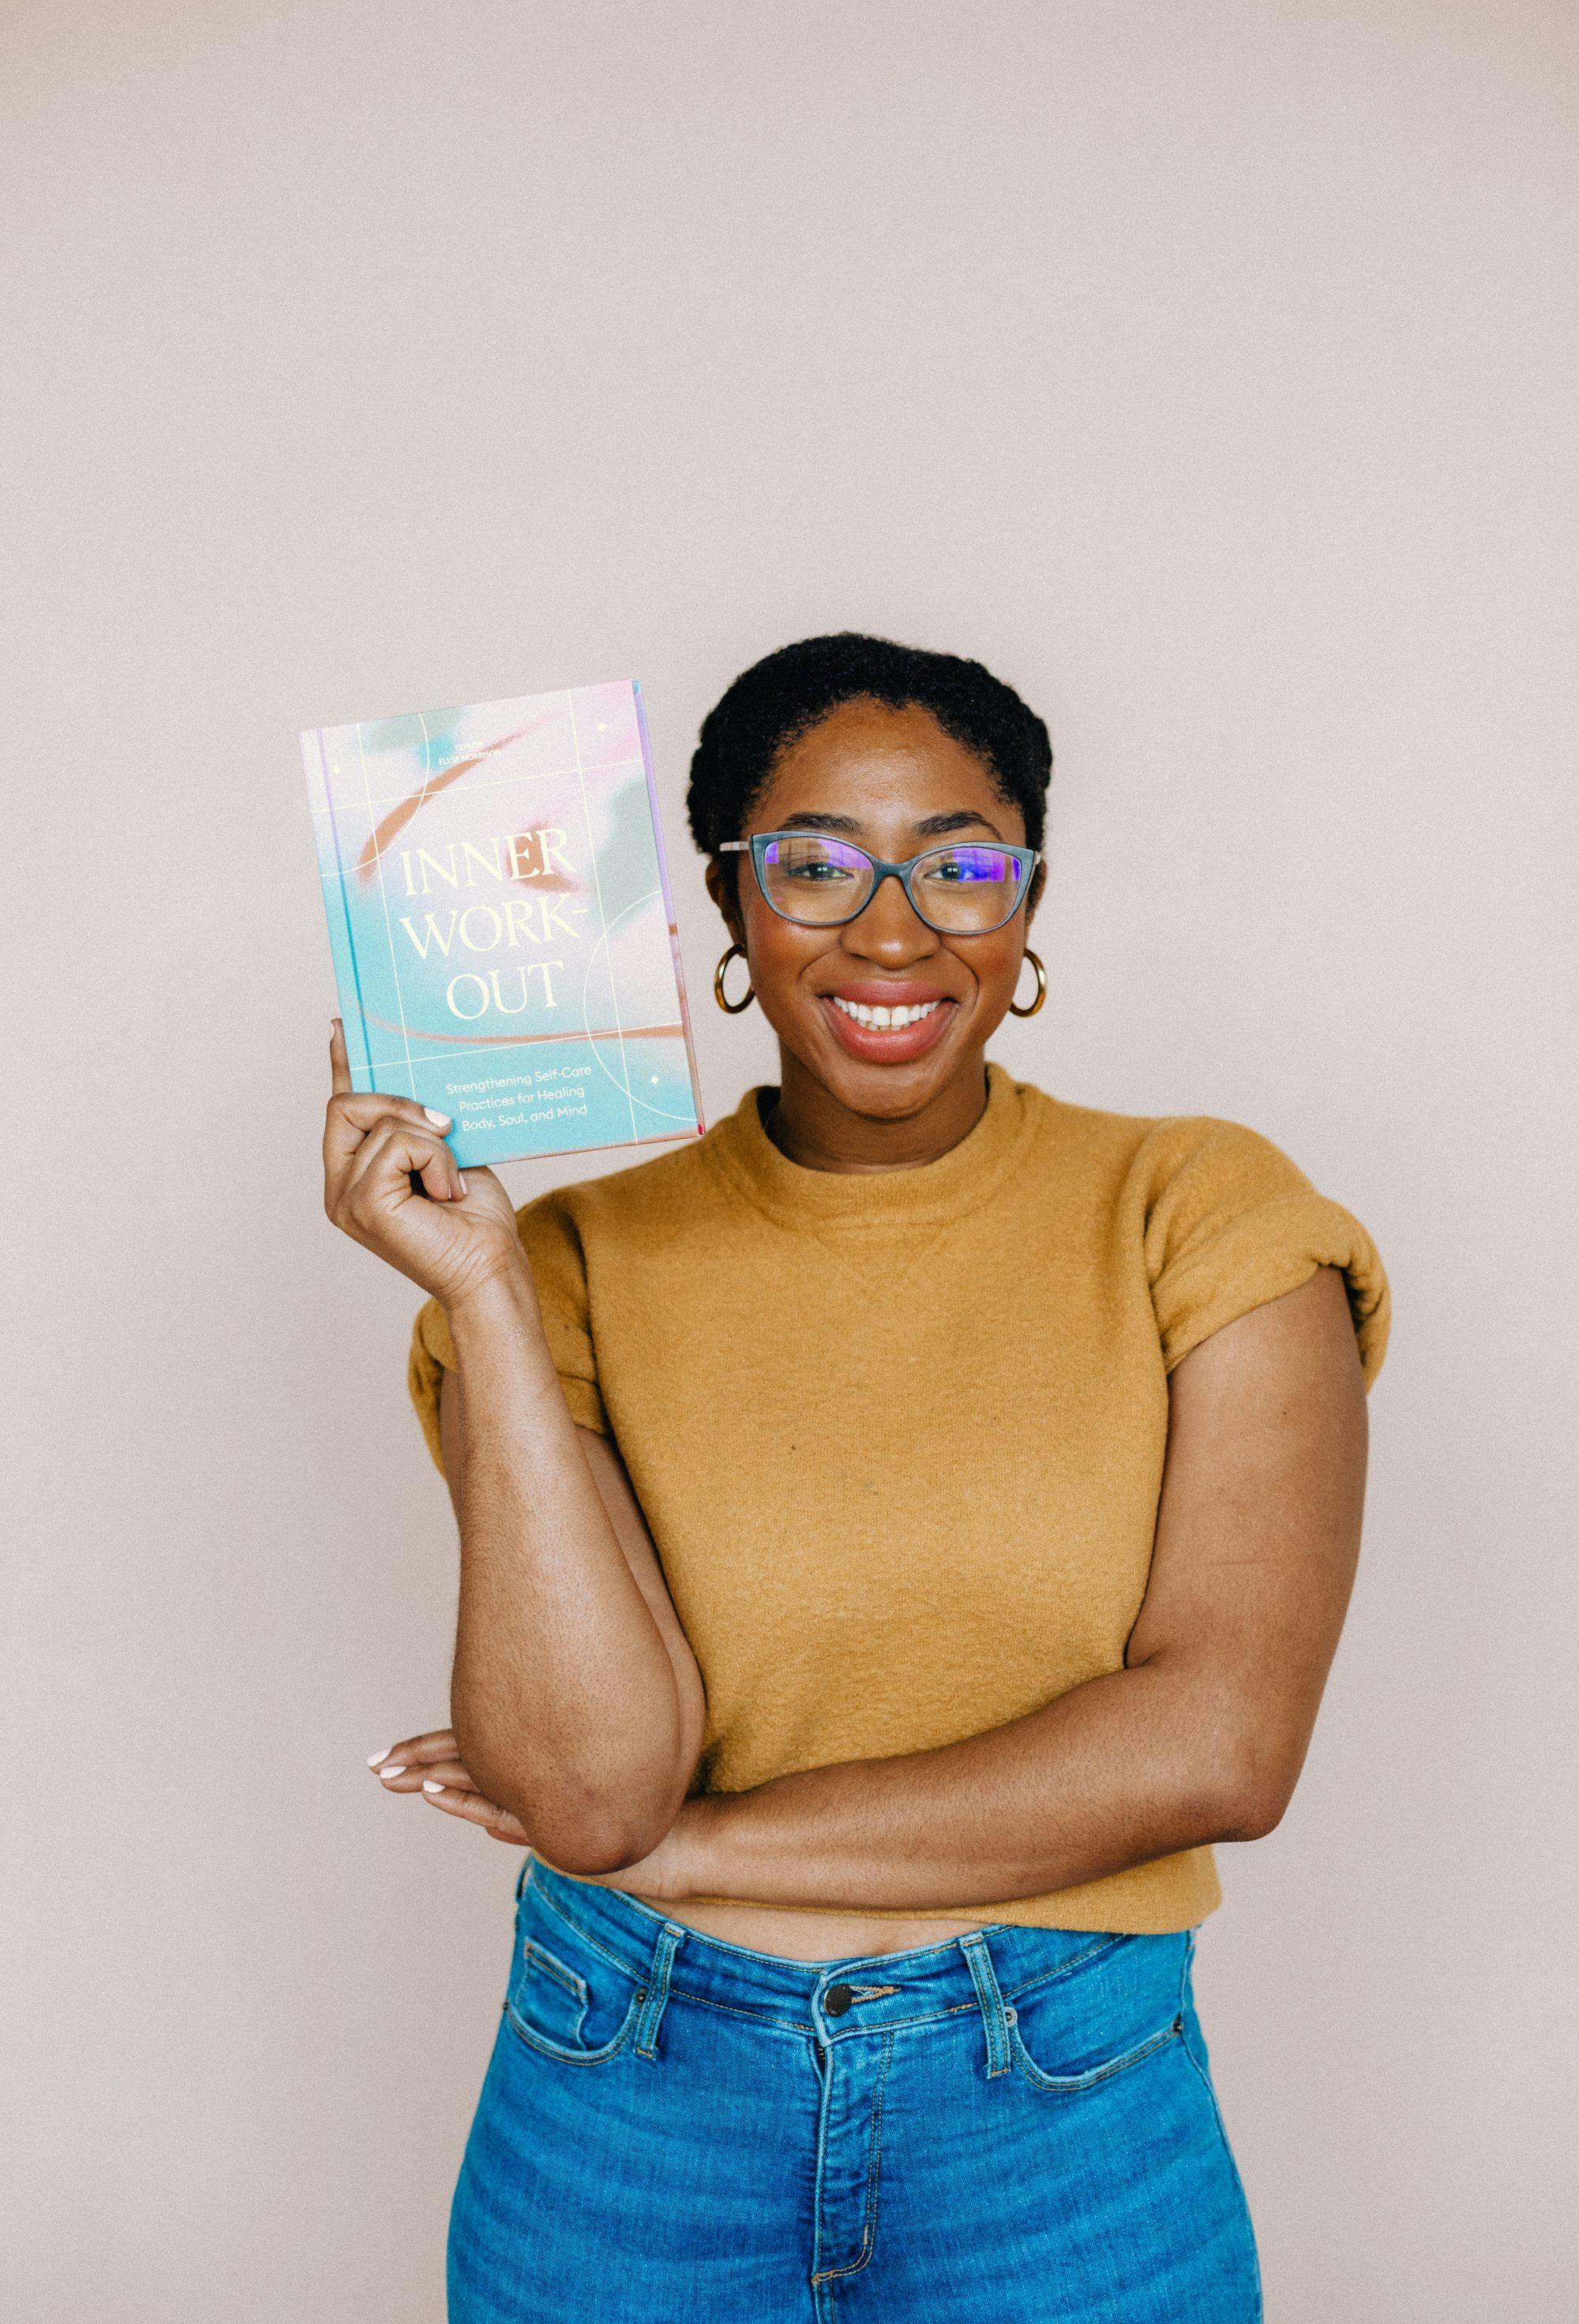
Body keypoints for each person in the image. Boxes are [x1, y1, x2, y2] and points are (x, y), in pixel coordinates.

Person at [323, 633, 1388, 2322]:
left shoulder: (1200, 1210)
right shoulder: (566, 1262)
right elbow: (593, 1797)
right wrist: (483, 1303)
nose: (890, 930)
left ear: (1027, 901)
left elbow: (1220, 1746)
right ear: (727, 911)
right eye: (813, 865)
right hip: (627, 2101)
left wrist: (696, 1854)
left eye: (959, 865)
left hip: (1060, 2118)